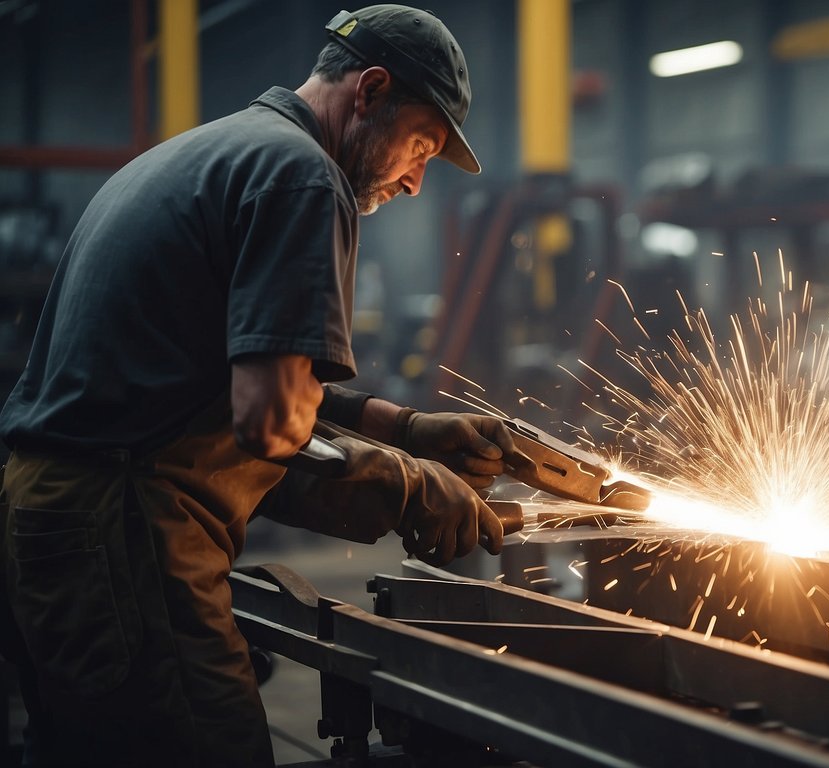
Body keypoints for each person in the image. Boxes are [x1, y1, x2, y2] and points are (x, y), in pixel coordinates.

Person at [0, 5, 533, 766]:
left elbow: (228, 383)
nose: (416, 181)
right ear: (370, 91)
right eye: (420, 146)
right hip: (125, 541)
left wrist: (405, 430)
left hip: (50, 521)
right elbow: (269, 423)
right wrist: (414, 489)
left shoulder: (212, 151)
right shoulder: (304, 178)